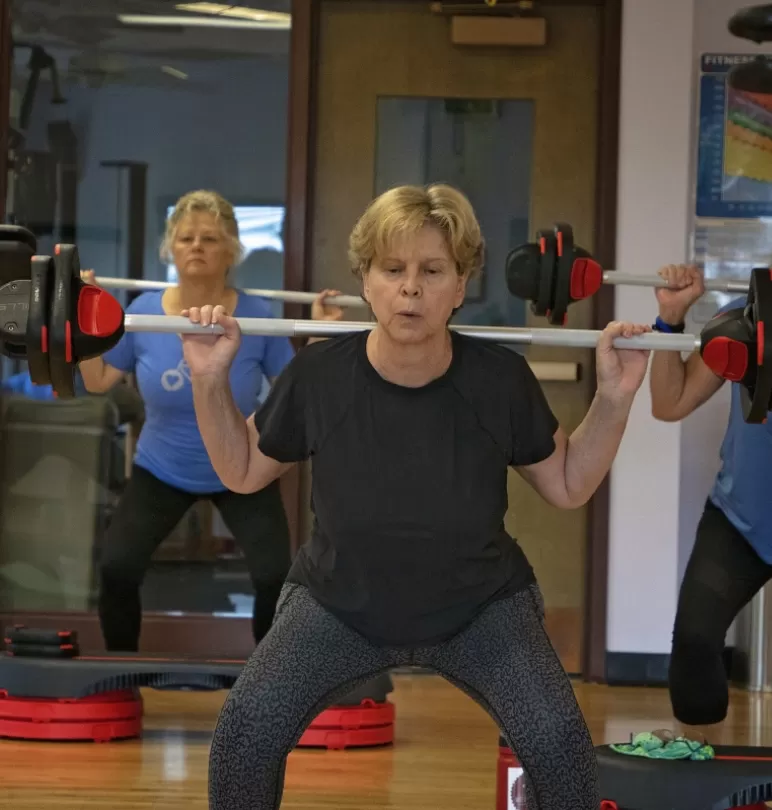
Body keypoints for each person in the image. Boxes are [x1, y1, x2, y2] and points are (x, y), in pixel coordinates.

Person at [181, 183, 653, 810]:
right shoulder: (319, 375)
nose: (411, 288)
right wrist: (208, 381)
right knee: (243, 737)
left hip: (480, 608)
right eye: (393, 269)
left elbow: (568, 484)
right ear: (366, 282)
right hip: (338, 605)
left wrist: (615, 398)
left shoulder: (499, 379)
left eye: (432, 271)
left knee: (562, 747)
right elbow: (241, 471)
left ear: (460, 287)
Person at [78, 189, 344, 651]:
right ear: (171, 249)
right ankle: (119, 676)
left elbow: (297, 388)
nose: (196, 246)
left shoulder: (258, 317)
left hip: (239, 466)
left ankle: (270, 682)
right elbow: (98, 379)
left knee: (275, 578)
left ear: (231, 252)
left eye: (209, 238)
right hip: (162, 468)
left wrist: (319, 334)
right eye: (185, 237)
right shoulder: (141, 312)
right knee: (117, 567)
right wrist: (81, 320)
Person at [649, 189, 772, 736]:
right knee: (693, 653)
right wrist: (669, 323)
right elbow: (669, 405)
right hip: (742, 524)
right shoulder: (744, 321)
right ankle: (705, 774)